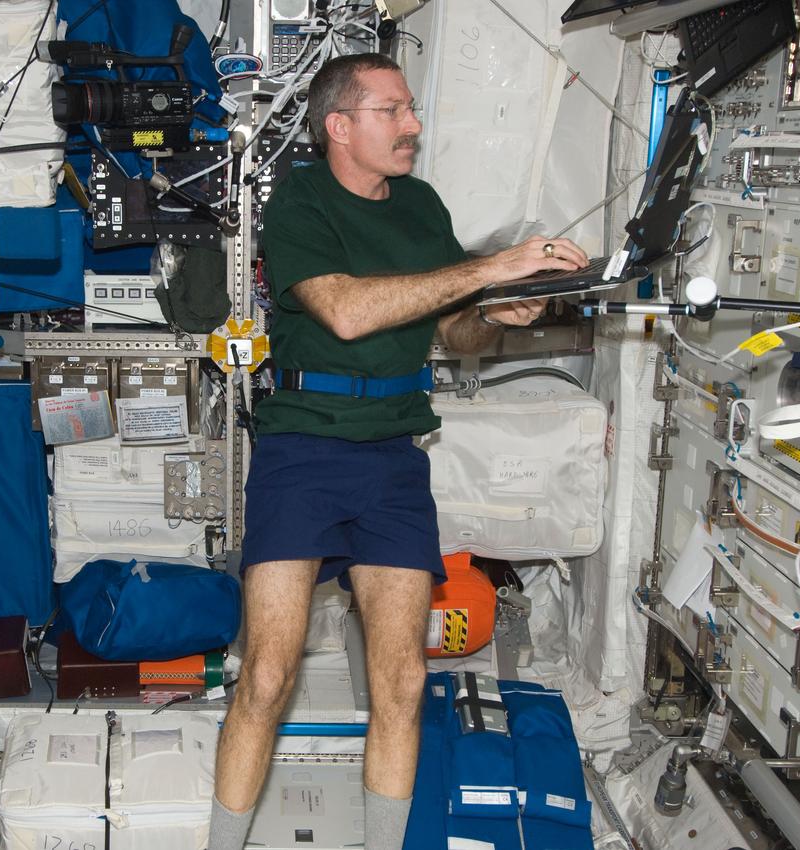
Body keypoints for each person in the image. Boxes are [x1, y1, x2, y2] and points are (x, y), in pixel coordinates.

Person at [208, 53, 588, 850]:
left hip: (393, 456)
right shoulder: (299, 201)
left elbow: (454, 333)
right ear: (340, 126)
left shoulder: (420, 206)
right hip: (303, 448)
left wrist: (495, 314)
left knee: (405, 680)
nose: (413, 125)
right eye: (394, 111)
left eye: (412, 109)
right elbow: (345, 312)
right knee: (267, 676)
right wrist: (491, 267)